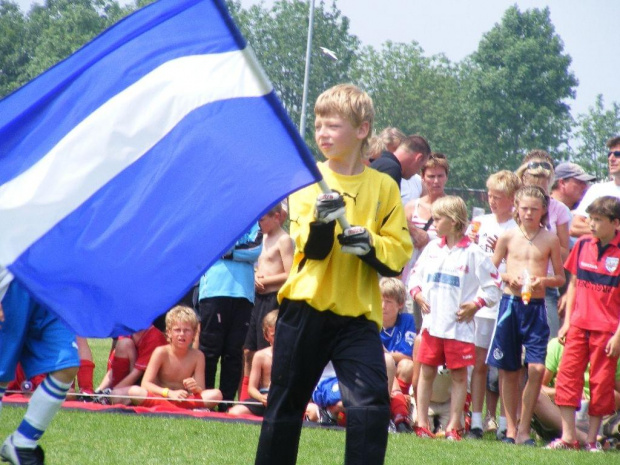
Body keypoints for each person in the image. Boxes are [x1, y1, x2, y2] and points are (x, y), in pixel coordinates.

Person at [254, 83, 412, 465]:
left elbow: (397, 254)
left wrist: (369, 243)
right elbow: (314, 249)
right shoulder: (307, 180)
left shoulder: (384, 187)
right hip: (304, 310)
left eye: (333, 125)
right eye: (318, 125)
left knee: (371, 407)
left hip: (357, 318)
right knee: (285, 407)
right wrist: (324, 223)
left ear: (362, 130)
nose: (322, 133)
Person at [408, 195, 501, 441]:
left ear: (454, 220)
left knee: (460, 377)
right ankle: (421, 423)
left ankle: (454, 426)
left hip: (459, 329)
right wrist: (417, 295)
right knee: (426, 372)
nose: (433, 224)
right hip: (431, 326)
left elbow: (494, 286)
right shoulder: (431, 249)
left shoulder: (474, 253)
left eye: (437, 219)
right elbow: (414, 277)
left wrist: (476, 304)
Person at [486, 185, 566, 445]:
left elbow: (560, 277)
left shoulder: (550, 239)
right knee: (508, 370)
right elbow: (493, 268)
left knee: (536, 369)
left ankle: (524, 427)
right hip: (511, 304)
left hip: (536, 308)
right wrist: (508, 276)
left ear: (544, 210)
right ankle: (511, 429)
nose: (529, 213)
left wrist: (541, 281)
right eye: (524, 208)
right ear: (516, 209)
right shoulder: (508, 236)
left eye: (534, 208)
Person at [548, 196, 620, 451]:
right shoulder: (582, 244)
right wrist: (567, 321)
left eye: (598, 220)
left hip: (607, 330)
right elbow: (574, 284)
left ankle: (592, 440)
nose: (591, 224)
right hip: (578, 325)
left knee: (601, 385)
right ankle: (568, 437)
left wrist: (618, 336)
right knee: (567, 378)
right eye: (590, 218)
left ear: (616, 223)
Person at [0, 268, 79, 465]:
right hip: (10, 283)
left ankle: (22, 443)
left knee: (67, 365)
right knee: (1, 376)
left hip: (51, 286)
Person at [467, 170, 520, 439]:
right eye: (490, 195)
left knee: (504, 367)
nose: (492, 201)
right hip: (479, 302)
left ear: (512, 199)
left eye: (498, 197)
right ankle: (476, 421)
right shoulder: (479, 223)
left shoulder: (517, 229)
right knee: (478, 363)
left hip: (505, 302)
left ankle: (504, 424)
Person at [198, 223, 262, 411]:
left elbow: (255, 250)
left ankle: (226, 404)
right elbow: (207, 247)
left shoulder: (253, 221)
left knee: (233, 354)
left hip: (243, 294)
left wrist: (225, 252)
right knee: (210, 350)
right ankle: (206, 401)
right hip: (213, 292)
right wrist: (235, 252)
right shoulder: (214, 220)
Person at [515, 150, 571, 338]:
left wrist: (543, 243)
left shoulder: (559, 209)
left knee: (547, 347)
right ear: (523, 178)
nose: (539, 187)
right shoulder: (514, 207)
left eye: (544, 181)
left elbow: (565, 253)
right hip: (514, 285)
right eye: (534, 180)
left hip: (545, 286)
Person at [240, 204, 292, 401]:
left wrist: (265, 281)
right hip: (258, 298)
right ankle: (246, 395)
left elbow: (290, 273)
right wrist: (255, 277)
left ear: (277, 217)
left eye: (263, 219)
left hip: (273, 298)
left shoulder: (284, 240)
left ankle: (267, 393)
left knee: (266, 347)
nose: (259, 224)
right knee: (248, 349)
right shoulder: (262, 238)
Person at [125, 306, 222, 410]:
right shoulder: (161, 352)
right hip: (162, 396)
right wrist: (169, 393)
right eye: (177, 330)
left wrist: (194, 388)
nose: (181, 334)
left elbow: (200, 390)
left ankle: (169, 407)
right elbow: (146, 384)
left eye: (186, 330)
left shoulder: (198, 356)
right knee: (134, 392)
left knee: (216, 394)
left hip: (184, 398)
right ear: (169, 332)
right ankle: (178, 408)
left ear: (194, 333)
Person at [402, 153, 450, 330]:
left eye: (440, 176)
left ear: (446, 177)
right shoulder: (411, 207)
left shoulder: (453, 207)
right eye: (431, 176)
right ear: (423, 178)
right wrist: (413, 232)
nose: (436, 181)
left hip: (442, 279)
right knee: (415, 328)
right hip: (413, 278)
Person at [230, 310, 278, 418]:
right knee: (235, 412)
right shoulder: (260, 356)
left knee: (311, 412)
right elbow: (251, 388)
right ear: (266, 337)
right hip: (263, 398)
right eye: (274, 335)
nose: (279, 338)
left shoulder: (293, 355)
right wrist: (262, 398)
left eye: (282, 333)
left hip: (284, 400)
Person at [95, 324, 167, 395]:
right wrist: (99, 391)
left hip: (148, 386)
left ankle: (117, 395)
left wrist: (112, 394)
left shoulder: (153, 336)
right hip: (130, 381)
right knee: (124, 344)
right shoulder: (127, 330)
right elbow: (112, 370)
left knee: (125, 343)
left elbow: (137, 373)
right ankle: (115, 393)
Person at [571, 136, 620, 238]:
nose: (611, 159)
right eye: (609, 154)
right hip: (599, 253)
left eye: (617, 154)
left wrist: (598, 228)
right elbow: (575, 227)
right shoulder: (597, 189)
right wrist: (611, 230)